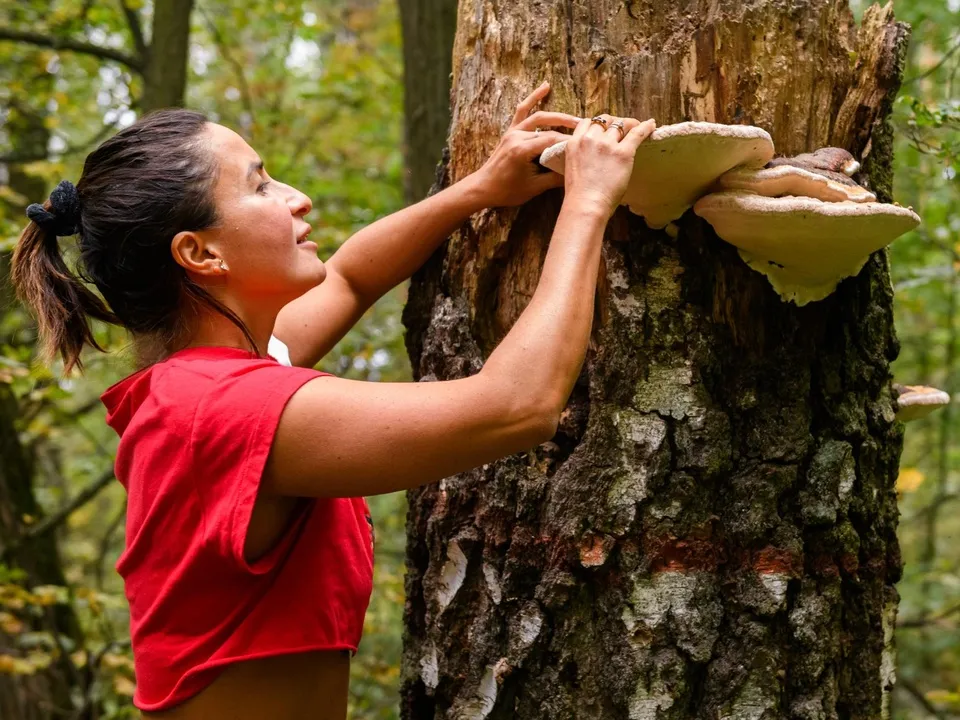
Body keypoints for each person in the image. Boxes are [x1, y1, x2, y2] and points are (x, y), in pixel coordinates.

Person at [11, 81, 655, 719]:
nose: (297, 197)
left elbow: (351, 276)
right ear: (199, 253)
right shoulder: (220, 409)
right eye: (260, 186)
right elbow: (519, 404)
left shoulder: (209, 380)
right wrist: (589, 203)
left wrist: (479, 188)